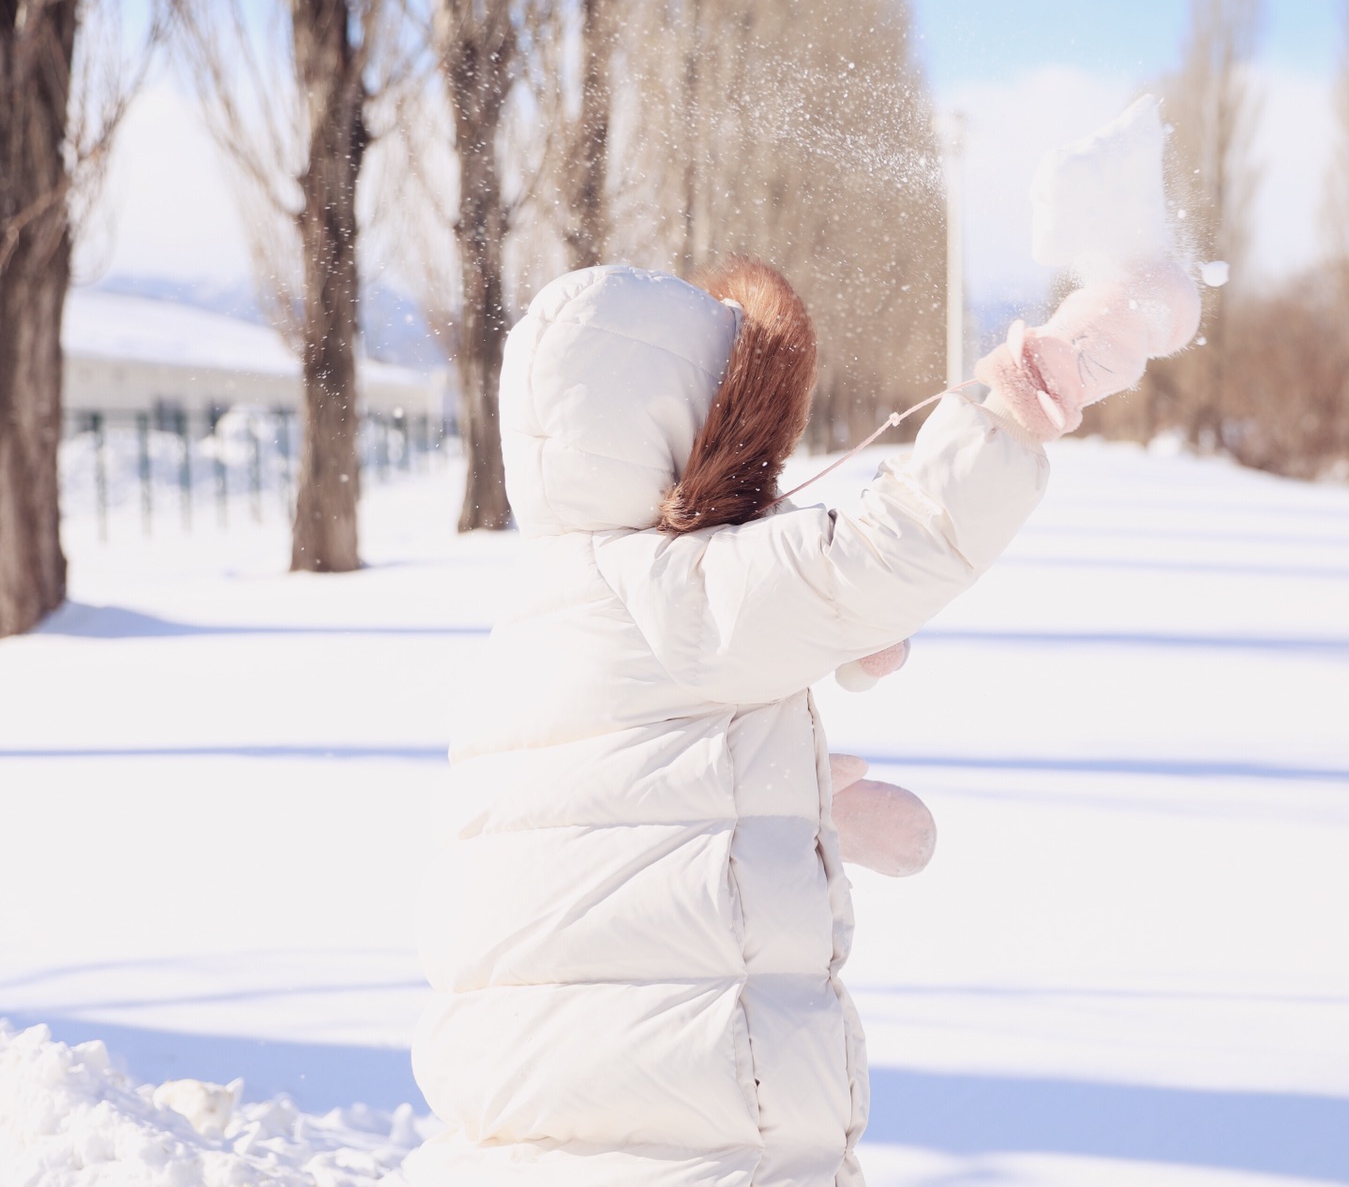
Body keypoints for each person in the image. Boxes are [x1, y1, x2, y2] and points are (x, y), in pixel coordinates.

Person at [406, 255, 1197, 1185]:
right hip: (686, 1139)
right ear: (686, 428)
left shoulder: (538, 622)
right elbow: (893, 547)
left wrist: (779, 798)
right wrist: (1026, 395)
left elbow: (604, 820)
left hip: (532, 1124)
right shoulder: (676, 591)